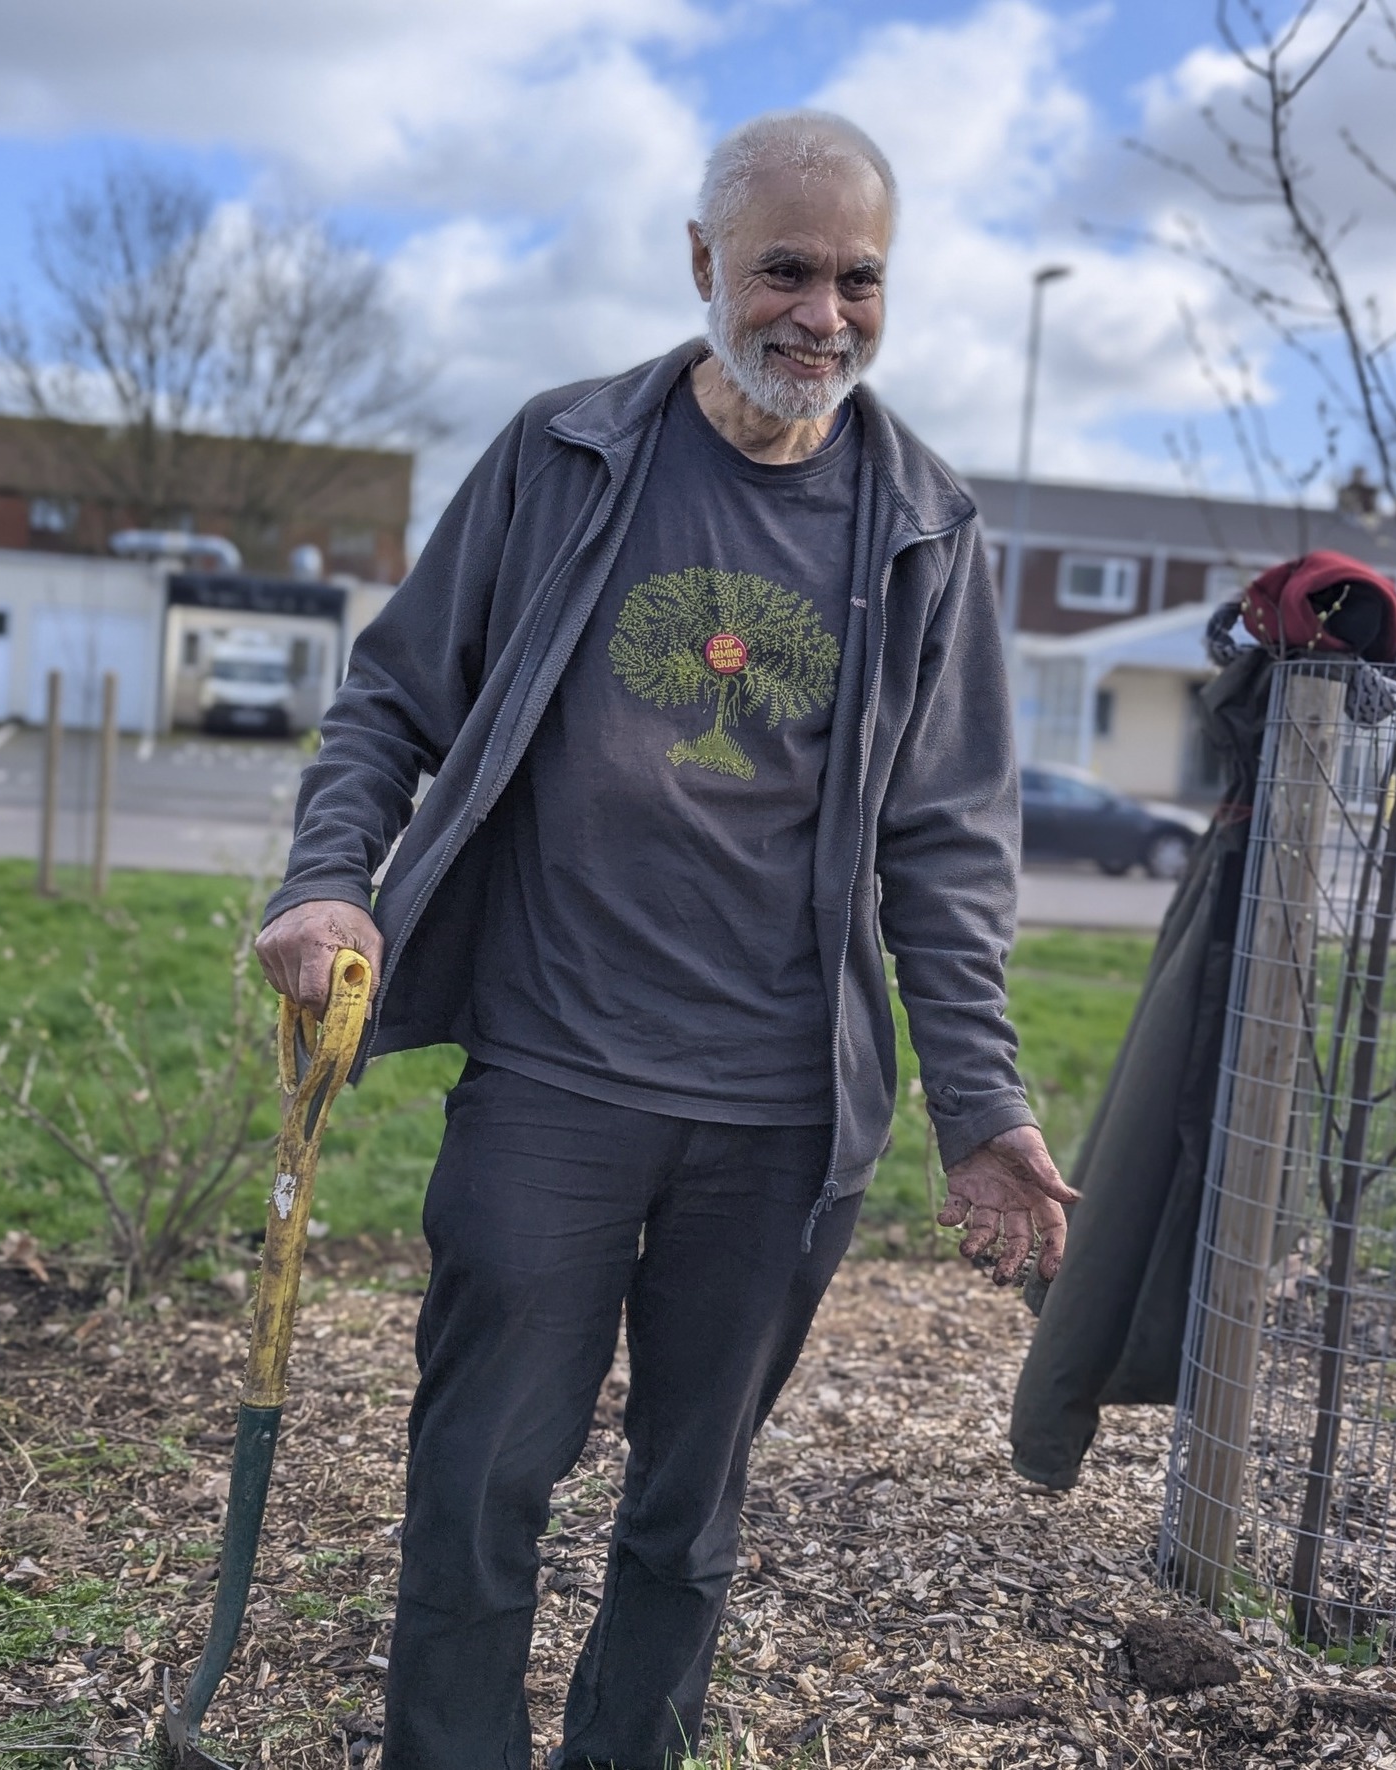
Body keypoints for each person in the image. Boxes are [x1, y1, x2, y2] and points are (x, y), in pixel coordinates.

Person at [256, 108, 1075, 1770]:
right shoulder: (563, 454)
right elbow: (393, 696)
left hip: (781, 1119)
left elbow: (946, 850)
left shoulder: (926, 527)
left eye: (860, 279)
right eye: (786, 269)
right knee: (481, 1475)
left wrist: (981, 1104)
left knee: (688, 1509)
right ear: (703, 262)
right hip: (554, 1077)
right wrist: (325, 878)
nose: (822, 315)